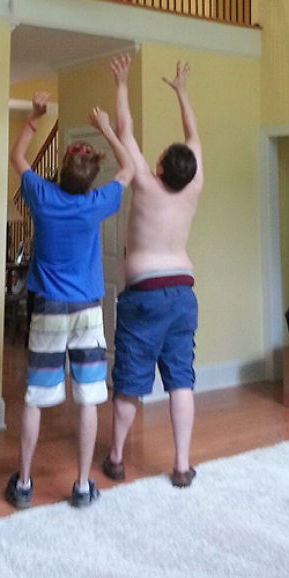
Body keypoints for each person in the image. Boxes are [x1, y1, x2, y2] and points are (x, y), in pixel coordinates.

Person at [7, 91, 133, 509]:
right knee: (89, 396)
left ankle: (24, 484)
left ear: (60, 170)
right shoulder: (96, 203)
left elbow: (18, 156)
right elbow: (130, 167)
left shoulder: (41, 196)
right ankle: (82, 487)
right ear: (91, 179)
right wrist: (106, 129)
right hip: (87, 312)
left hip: (47, 309)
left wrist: (35, 116)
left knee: (35, 397)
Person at [103, 54, 203, 487]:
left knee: (130, 382)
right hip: (183, 294)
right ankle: (181, 466)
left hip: (145, 296)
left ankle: (116, 458)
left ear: (159, 168)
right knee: (181, 380)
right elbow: (194, 135)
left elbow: (124, 132)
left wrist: (122, 84)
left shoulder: (144, 183)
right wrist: (182, 93)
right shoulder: (194, 184)